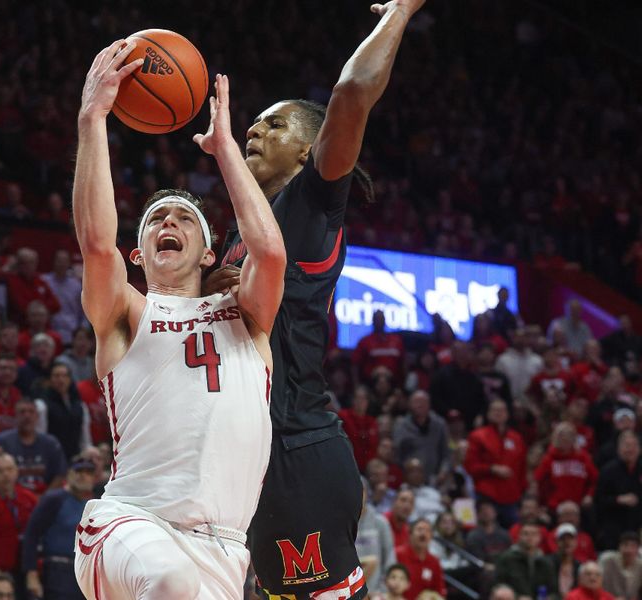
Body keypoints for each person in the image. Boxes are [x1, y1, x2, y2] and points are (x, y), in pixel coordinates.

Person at [201, 2, 430, 595]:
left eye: (274, 125)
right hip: (246, 458)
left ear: (309, 151)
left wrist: (401, 11)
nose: (254, 129)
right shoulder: (236, 234)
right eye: (255, 123)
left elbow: (352, 93)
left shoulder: (311, 202)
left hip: (297, 449)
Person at [71, 32, 288, 596]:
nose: (169, 222)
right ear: (138, 254)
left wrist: (225, 151)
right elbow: (97, 246)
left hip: (223, 550)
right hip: (128, 523)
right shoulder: (125, 312)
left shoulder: (247, 314)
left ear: (210, 251)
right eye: (156, 219)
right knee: (165, 579)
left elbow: (271, 253)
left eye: (184, 218)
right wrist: (92, 118)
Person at [24, 457, 96, 599]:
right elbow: (32, 534)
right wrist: (31, 572)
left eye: (88, 473)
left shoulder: (93, 505)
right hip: (57, 571)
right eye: (79, 471)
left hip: (83, 572)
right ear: (69, 474)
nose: (83, 476)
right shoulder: (54, 499)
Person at [464, 399, 527, 527]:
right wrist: (492, 469)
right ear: (488, 414)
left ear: (508, 414)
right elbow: (470, 466)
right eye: (495, 410)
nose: (499, 413)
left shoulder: (516, 438)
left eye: (502, 410)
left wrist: (521, 492)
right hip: (487, 495)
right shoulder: (478, 436)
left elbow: (522, 468)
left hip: (511, 497)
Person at [0, 454, 37, 577]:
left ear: (17, 472)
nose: (6, 474)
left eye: (9, 469)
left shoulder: (28, 498)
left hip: (25, 565)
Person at [0, 396, 68, 495]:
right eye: (22, 412)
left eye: (31, 412)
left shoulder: (51, 443)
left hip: (45, 500)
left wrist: (44, 499)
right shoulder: (4, 441)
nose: (27, 416)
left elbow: (60, 475)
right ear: (15, 416)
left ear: (37, 416)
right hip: (14, 497)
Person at [534, 422, 598, 513]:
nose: (565, 439)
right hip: (555, 507)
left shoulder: (583, 458)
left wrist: (589, 495)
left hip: (579, 506)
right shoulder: (549, 459)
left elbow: (594, 480)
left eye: (568, 436)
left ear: (574, 439)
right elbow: (539, 481)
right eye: (561, 436)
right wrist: (543, 503)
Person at [596, 431, 642, 551]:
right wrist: (618, 499)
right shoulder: (608, 471)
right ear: (618, 448)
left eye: (633, 445)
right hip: (614, 526)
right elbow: (599, 500)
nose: (630, 449)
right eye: (626, 445)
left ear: (639, 449)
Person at [393, 390, 449, 482]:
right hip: (408, 480)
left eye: (423, 402)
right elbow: (397, 454)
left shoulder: (439, 425)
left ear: (429, 405)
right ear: (410, 404)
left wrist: (443, 472)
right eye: (416, 402)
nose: (420, 405)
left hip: (435, 479)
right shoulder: (401, 425)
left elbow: (446, 453)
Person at [494, 522, 558, 600]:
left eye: (533, 534)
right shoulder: (507, 558)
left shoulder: (546, 562)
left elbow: (554, 592)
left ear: (539, 538)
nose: (530, 537)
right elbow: (498, 585)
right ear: (519, 536)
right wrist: (517, 597)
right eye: (526, 534)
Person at [429, 341, 486, 429]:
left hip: (471, 422)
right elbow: (434, 398)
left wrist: (480, 415)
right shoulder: (441, 374)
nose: (462, 354)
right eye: (458, 351)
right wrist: (447, 411)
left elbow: (481, 399)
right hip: (447, 422)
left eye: (464, 351)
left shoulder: (474, 376)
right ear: (452, 353)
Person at [395, 519, 446, 600]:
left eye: (427, 531)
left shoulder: (434, 561)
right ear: (410, 534)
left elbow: (439, 591)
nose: (423, 534)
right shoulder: (397, 554)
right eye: (419, 529)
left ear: (431, 537)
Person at [41, 249, 84, 345]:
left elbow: (83, 311)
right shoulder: (44, 281)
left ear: (69, 263)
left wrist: (82, 328)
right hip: (48, 331)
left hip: (71, 332)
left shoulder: (76, 285)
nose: (61, 264)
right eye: (59, 261)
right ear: (54, 262)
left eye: (64, 261)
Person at [6, 248, 60, 324]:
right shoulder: (13, 281)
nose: (28, 266)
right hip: (22, 326)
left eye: (31, 262)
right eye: (24, 263)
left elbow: (56, 304)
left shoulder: (40, 280)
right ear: (19, 264)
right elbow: (21, 307)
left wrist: (39, 309)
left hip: (44, 327)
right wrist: (42, 309)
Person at [352, 310, 406, 384]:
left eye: (381, 319)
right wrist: (357, 386)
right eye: (377, 319)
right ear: (373, 321)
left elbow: (404, 364)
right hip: (370, 385)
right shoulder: (364, 342)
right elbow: (355, 365)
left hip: (394, 384)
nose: (379, 321)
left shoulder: (396, 340)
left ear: (385, 320)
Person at [356, 499, 395, 594]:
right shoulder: (341, 523)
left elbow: (389, 557)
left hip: (377, 592)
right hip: (349, 592)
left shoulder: (381, 522)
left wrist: (383, 589)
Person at [339, 386, 381, 472]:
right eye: (357, 398)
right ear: (353, 400)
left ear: (368, 401)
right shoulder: (343, 416)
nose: (360, 402)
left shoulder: (372, 422)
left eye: (363, 398)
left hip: (368, 469)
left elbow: (373, 446)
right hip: (348, 465)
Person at [465, 499, 512, 566]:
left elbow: (509, 557)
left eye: (489, 510)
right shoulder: (473, 536)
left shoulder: (504, 534)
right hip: (483, 572)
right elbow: (477, 562)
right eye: (483, 510)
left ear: (495, 513)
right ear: (478, 515)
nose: (486, 512)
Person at [599, 531, 642, 600]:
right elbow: (597, 586)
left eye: (633, 546)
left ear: (638, 549)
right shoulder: (607, 560)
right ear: (619, 547)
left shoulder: (640, 566)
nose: (629, 550)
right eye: (625, 545)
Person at [551, 524, 580, 597]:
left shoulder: (579, 566)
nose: (567, 542)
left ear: (576, 542)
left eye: (570, 538)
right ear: (557, 542)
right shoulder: (547, 563)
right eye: (563, 539)